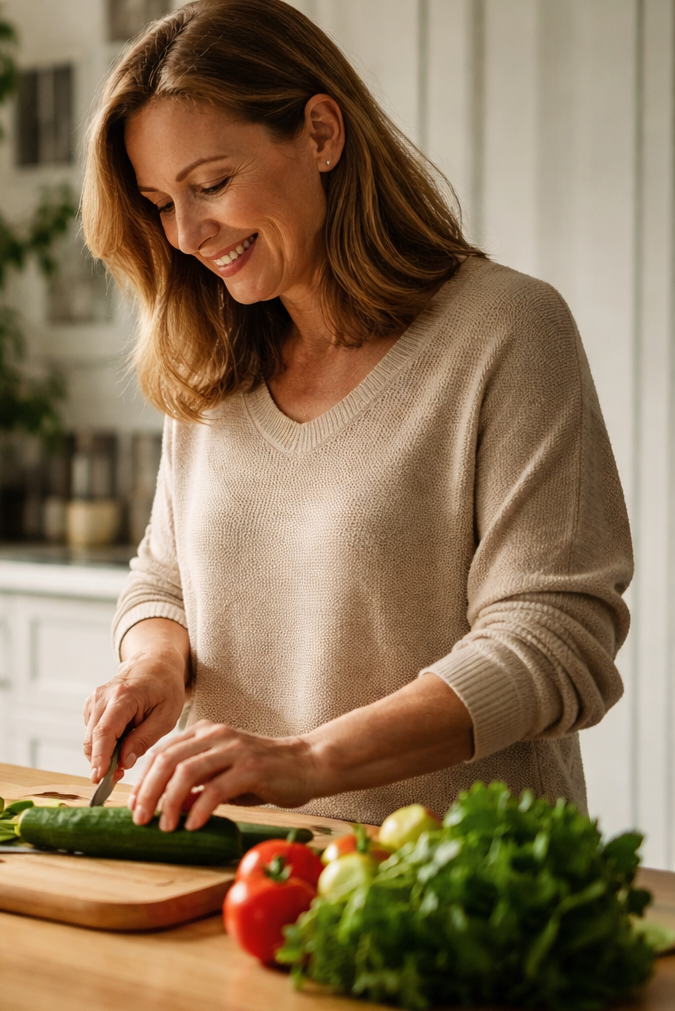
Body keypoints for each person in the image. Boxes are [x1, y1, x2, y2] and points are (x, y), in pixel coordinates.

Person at [79, 0, 632, 831]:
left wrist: (306, 762)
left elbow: (554, 639)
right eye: (160, 202)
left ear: (321, 134)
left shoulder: (507, 331)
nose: (188, 233)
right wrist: (155, 665)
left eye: (212, 184)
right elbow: (166, 579)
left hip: (453, 881)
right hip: (242, 869)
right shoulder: (212, 364)